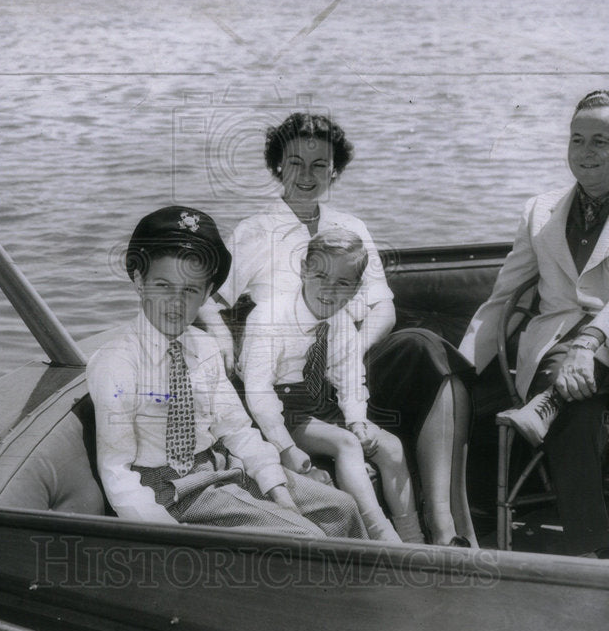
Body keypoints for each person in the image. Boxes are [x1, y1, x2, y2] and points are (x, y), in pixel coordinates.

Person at [199, 113, 476, 547]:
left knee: (424, 347)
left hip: (349, 362)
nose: (307, 175)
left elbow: (382, 304)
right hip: (285, 378)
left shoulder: (351, 229)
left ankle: (444, 524)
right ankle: (396, 538)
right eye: (295, 163)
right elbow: (209, 298)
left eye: (320, 165)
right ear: (278, 167)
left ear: (335, 170)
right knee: (421, 358)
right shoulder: (255, 232)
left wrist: (351, 350)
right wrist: (220, 338)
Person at [459, 90, 609, 560]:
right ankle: (594, 552)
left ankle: (552, 400)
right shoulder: (539, 211)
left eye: (601, 141)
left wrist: (589, 344)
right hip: (559, 361)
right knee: (579, 402)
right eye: (577, 139)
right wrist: (458, 372)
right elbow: (503, 297)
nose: (584, 154)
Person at [88, 205, 367, 539]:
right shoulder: (116, 362)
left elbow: (236, 429)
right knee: (306, 538)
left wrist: (275, 485)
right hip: (173, 492)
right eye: (163, 285)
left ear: (207, 293)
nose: (176, 303)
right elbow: (116, 470)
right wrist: (163, 534)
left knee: (341, 508)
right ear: (138, 280)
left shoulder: (203, 348)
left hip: (224, 469)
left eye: (191, 290)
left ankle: (367, 589)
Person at [241, 229, 425, 543]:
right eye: (320, 276)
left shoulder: (339, 321)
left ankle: (414, 538)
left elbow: (350, 377)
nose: (329, 291)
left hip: (320, 404)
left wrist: (356, 419)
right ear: (303, 269)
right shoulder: (270, 317)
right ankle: (380, 534)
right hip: (281, 411)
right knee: (347, 444)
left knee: (391, 446)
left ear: (357, 288)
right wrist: (286, 448)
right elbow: (258, 392)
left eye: (343, 283)